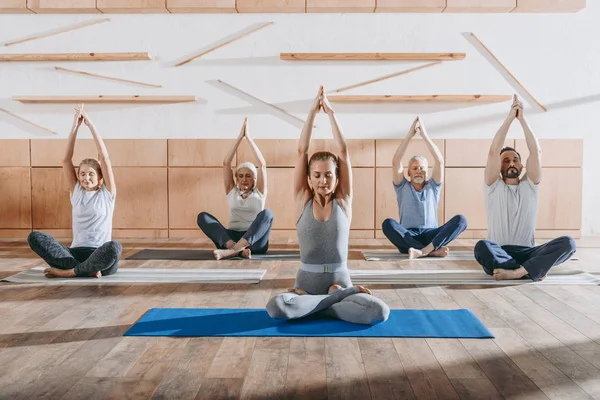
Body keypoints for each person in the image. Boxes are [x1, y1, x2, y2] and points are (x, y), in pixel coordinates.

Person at [266, 86, 390, 325]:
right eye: (317, 175)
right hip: (308, 282)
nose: (323, 180)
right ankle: (337, 300)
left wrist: (331, 113)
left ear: (337, 178)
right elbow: (302, 150)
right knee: (276, 307)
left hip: (339, 278)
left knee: (379, 312)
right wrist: (312, 112)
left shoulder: (343, 201)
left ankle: (316, 305)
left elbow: (343, 152)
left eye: (329, 175)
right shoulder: (302, 198)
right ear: (309, 178)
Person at [474, 95, 576, 281]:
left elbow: (535, 152)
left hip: (530, 252)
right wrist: (509, 118)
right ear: (499, 167)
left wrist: (521, 119)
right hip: (501, 252)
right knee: (482, 247)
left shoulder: (530, 185)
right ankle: (530, 270)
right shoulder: (492, 186)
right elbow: (492, 151)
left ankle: (518, 272)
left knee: (568, 243)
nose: (511, 162)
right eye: (506, 160)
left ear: (522, 167)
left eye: (515, 160)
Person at [27, 105, 122, 278]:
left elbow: (104, 158)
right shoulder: (77, 191)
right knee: (35, 237)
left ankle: (70, 272)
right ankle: (82, 269)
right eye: (82, 174)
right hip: (74, 254)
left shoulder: (107, 194)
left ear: (100, 177)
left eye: (91, 174)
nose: (86, 178)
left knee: (114, 247)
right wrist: (75, 126)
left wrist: (90, 124)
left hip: (100, 254)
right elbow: (65, 160)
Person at [382, 116, 467, 259]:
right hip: (408, 234)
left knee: (461, 220)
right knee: (388, 224)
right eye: (414, 168)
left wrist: (425, 136)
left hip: (431, 234)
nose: (418, 171)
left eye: (422, 168)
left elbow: (439, 161)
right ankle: (429, 251)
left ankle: (422, 249)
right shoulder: (402, 186)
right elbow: (396, 162)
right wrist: (410, 135)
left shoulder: (433, 187)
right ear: (408, 172)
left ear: (427, 172)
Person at [197, 118, 273, 260]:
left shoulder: (259, 192)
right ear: (237, 179)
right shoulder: (232, 191)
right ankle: (237, 249)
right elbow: (226, 163)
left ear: (254, 179)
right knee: (203, 217)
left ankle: (233, 251)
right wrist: (239, 138)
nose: (244, 179)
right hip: (231, 238)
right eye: (241, 176)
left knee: (267, 214)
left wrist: (248, 138)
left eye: (248, 176)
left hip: (254, 242)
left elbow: (262, 164)